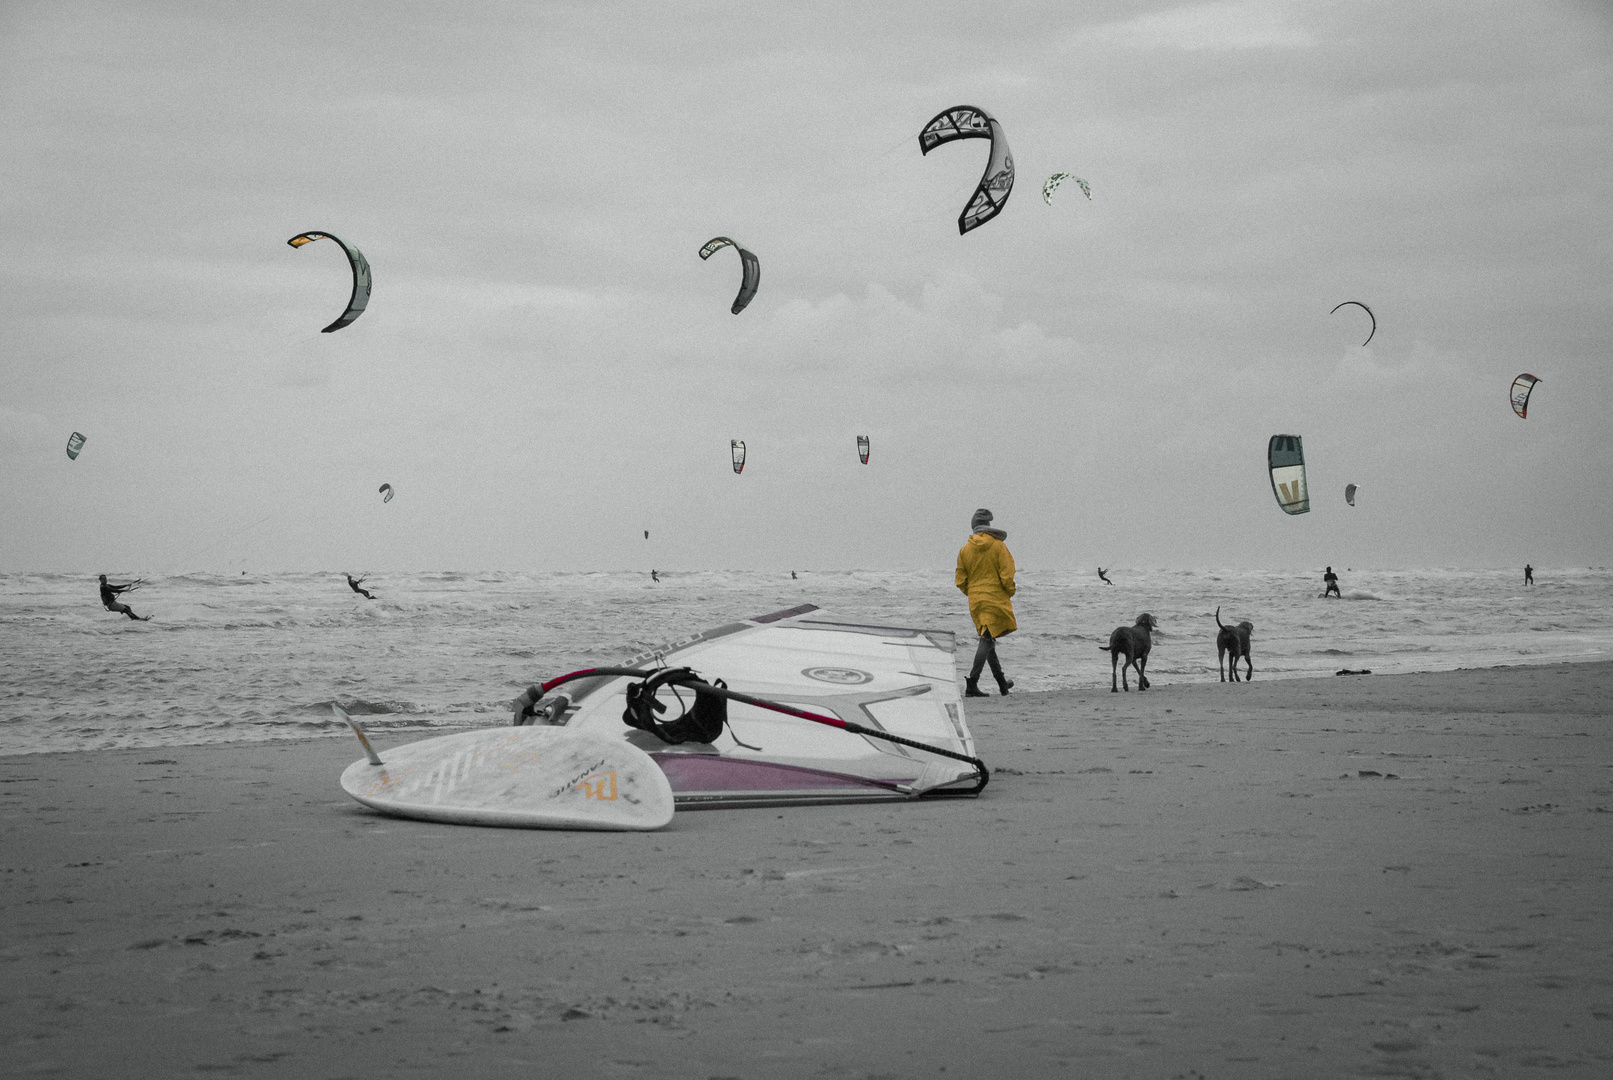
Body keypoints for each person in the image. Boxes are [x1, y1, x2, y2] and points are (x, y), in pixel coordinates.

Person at [955, 508, 1016, 697]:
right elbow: (1007, 573)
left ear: (974, 528)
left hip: (975, 600)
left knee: (988, 637)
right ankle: (972, 683)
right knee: (987, 638)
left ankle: (1002, 683)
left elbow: (960, 580)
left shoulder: (965, 549)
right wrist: (1009, 591)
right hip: (994, 598)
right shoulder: (998, 546)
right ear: (988, 526)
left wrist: (972, 592)